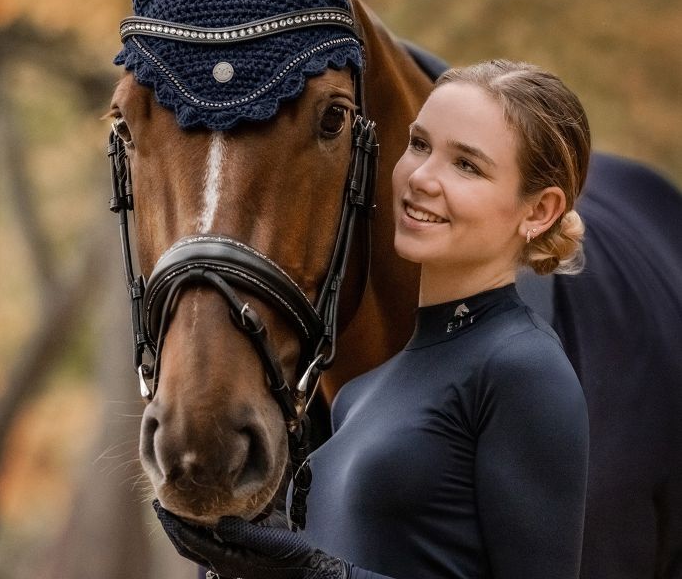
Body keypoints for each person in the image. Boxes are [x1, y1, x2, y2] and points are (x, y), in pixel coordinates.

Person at [156, 58, 591, 579]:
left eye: (466, 165)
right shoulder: (358, 395)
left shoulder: (524, 369)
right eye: (420, 145)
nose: (421, 177)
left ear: (539, 211)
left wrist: (315, 575)